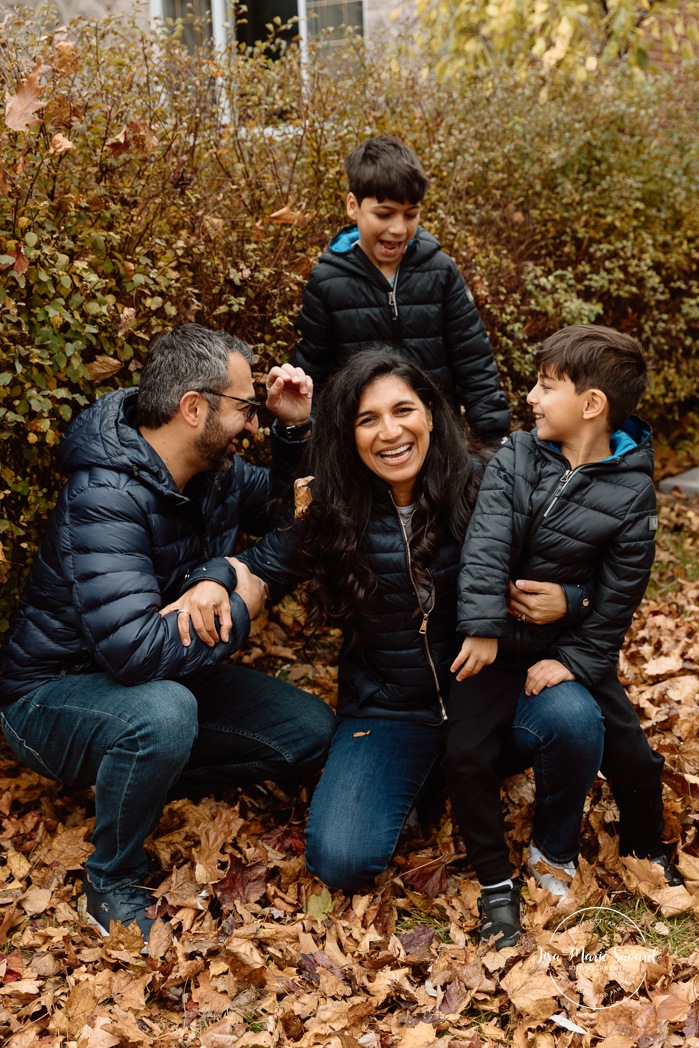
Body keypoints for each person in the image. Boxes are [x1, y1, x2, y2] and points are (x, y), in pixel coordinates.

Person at [175, 349, 602, 894]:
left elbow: (591, 555)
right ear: (348, 434)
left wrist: (573, 600)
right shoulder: (333, 505)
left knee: (572, 715)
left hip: (492, 696)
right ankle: (426, 776)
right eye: (368, 419)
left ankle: (554, 850)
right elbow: (261, 568)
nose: (390, 432)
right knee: (340, 861)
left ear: (430, 412)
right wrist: (213, 579)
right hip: (391, 711)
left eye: (403, 410)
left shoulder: (491, 481)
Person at [0, 324, 335, 942]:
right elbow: (135, 651)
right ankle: (110, 881)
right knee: (163, 713)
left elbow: (298, 511)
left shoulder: (214, 476)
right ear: (193, 408)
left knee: (307, 734)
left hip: (156, 678)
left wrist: (294, 431)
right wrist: (247, 593)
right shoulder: (104, 495)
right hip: (52, 697)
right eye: (246, 408)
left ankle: (141, 774)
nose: (252, 424)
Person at [446, 324, 681, 950]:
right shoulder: (517, 456)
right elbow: (486, 546)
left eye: (547, 386)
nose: (530, 397)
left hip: (567, 644)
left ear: (592, 404)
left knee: (632, 752)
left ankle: (644, 847)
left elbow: (618, 597)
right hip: (496, 649)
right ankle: (495, 869)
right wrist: (484, 629)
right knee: (465, 749)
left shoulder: (632, 491)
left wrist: (574, 658)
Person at [293, 134, 511, 445]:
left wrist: (492, 438)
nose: (398, 228)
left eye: (411, 215)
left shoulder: (439, 269)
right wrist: (316, 446)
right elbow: (313, 372)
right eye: (384, 214)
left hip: (437, 437)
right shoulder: (327, 279)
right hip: (367, 443)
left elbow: (473, 358)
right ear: (353, 206)